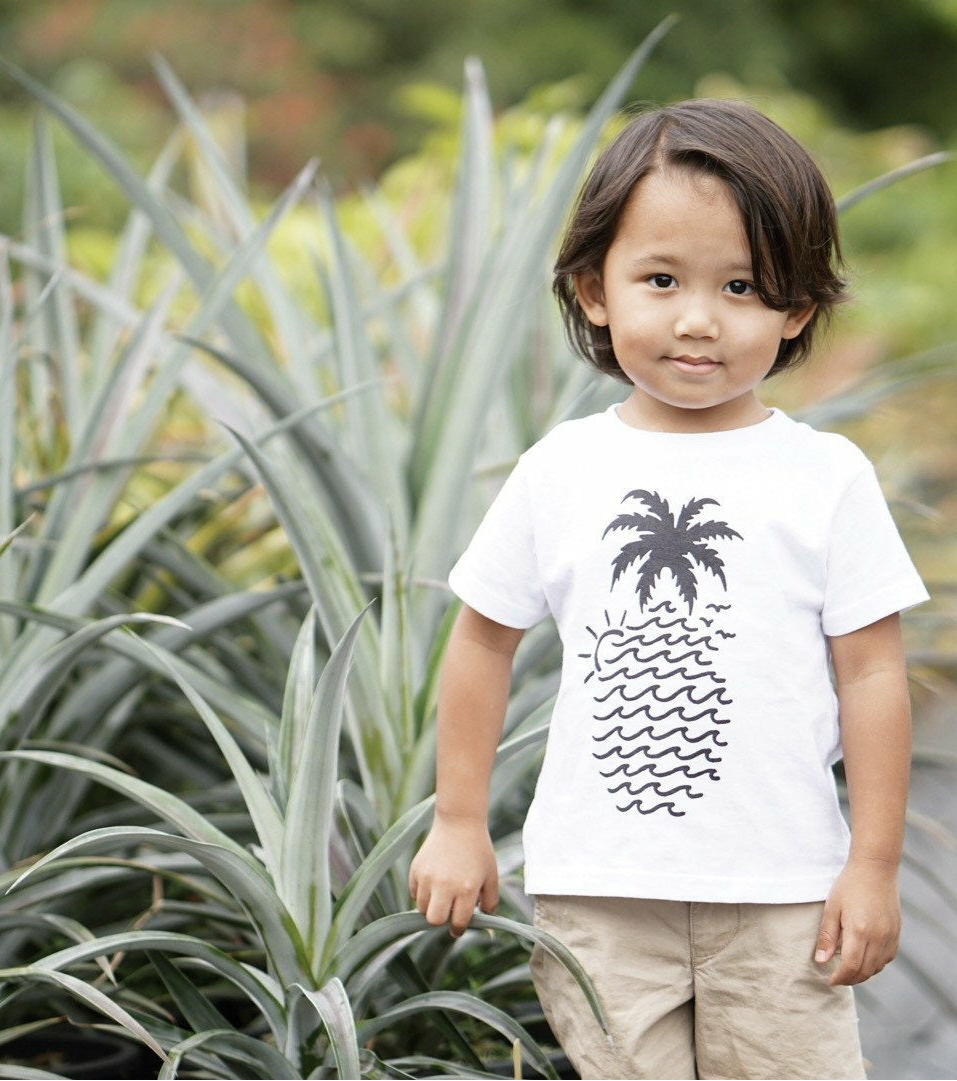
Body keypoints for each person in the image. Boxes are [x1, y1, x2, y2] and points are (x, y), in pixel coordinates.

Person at [408, 99, 930, 1080]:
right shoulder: (559, 469)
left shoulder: (826, 477)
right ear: (593, 290)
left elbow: (869, 676)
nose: (698, 317)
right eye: (660, 278)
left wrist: (872, 865)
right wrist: (458, 819)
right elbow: (481, 638)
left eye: (741, 285)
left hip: (785, 897)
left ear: (796, 310)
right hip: (596, 895)